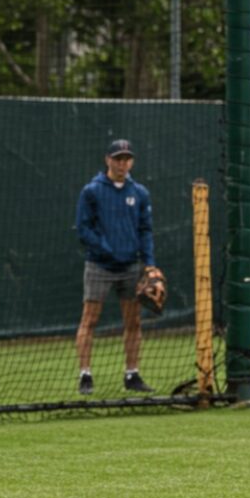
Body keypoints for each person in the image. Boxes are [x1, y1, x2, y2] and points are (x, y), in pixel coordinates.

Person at [74, 138, 155, 395]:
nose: (122, 163)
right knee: (90, 320)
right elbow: (83, 228)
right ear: (107, 160)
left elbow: (145, 230)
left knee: (133, 322)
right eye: (118, 158)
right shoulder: (92, 191)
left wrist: (150, 264)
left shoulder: (139, 193)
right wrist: (105, 249)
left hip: (130, 267)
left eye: (127, 158)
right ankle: (85, 375)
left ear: (132, 162)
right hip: (99, 266)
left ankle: (132, 374)